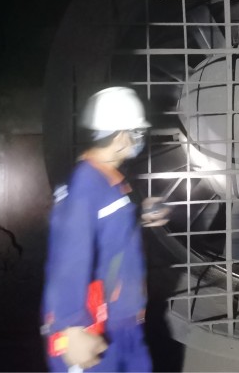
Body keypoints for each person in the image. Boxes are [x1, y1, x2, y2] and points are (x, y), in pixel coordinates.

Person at [41, 86, 165, 372]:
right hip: (95, 326)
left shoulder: (111, 180)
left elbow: (108, 229)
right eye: (137, 132)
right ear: (121, 136)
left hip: (125, 319)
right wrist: (71, 326)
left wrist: (142, 212)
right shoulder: (86, 185)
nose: (140, 139)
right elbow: (68, 256)